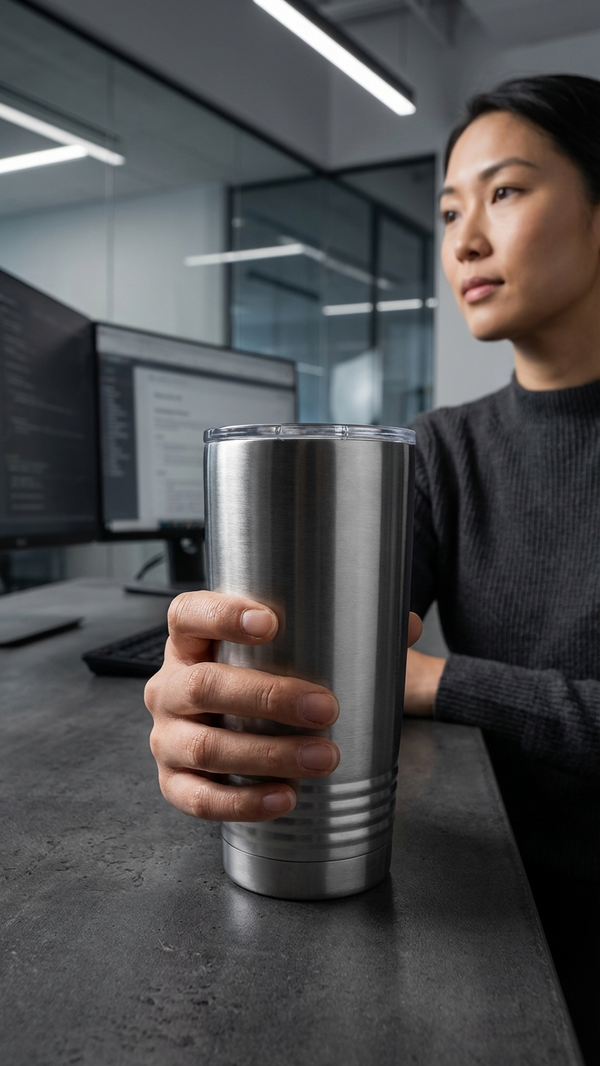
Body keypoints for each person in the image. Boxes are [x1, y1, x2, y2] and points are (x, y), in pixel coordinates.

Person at [145, 74, 600, 1062]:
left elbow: (405, 672)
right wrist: (212, 696)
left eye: (505, 191)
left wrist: (442, 681)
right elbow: (338, 666)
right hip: (483, 902)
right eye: (449, 211)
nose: (464, 241)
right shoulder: (440, 449)